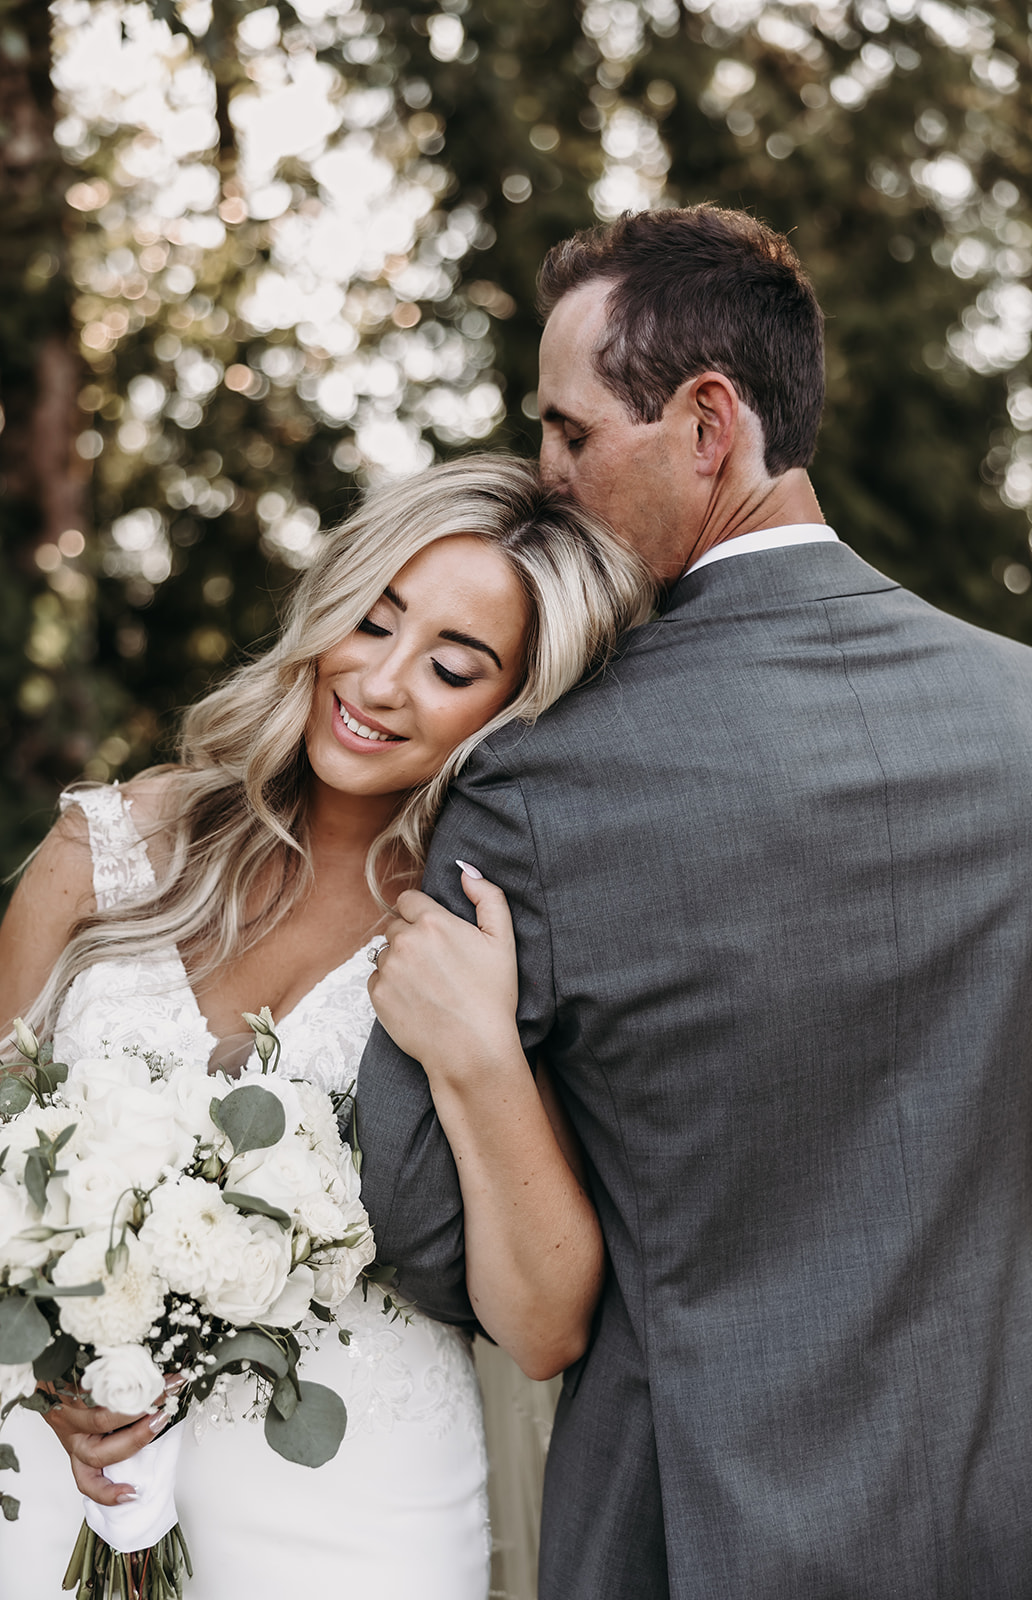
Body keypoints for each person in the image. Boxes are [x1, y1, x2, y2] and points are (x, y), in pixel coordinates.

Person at [354, 204, 1032, 1598]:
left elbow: (430, 1229)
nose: (544, 474)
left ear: (704, 424)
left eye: (568, 433)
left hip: (683, 1527)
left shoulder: (531, 783)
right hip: (1004, 1511)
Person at [0, 454, 653, 1600]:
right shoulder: (105, 849)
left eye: (453, 666)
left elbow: (544, 1327)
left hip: (355, 1512)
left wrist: (478, 1053)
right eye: (373, 621)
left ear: (514, 710)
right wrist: (51, 1376)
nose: (384, 681)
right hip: (64, 1473)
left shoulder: (493, 935)